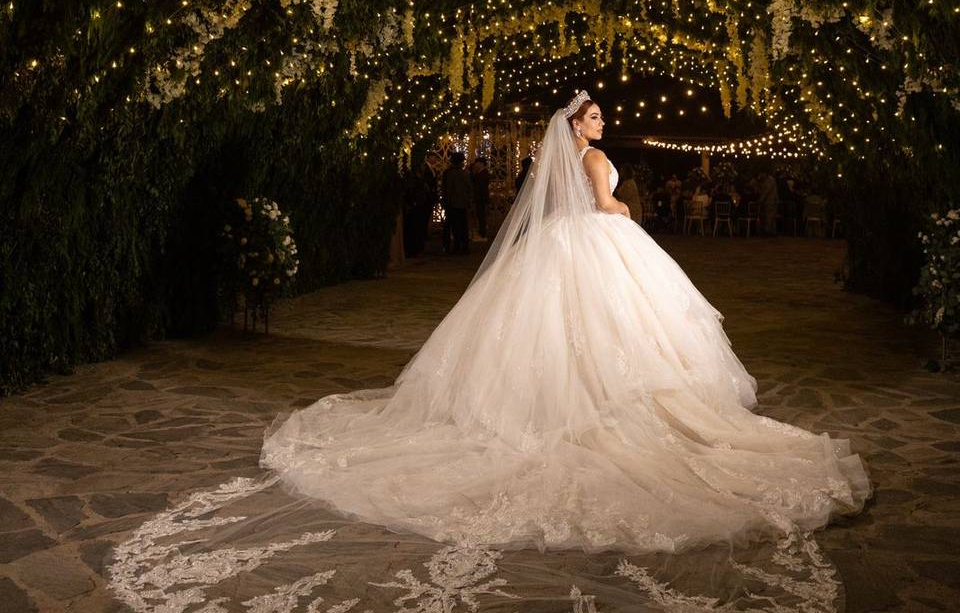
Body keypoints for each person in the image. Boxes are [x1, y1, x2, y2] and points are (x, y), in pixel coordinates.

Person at [261, 91, 870, 554]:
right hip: (600, 244)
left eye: (600, 118)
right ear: (577, 126)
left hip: (560, 246)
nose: (602, 124)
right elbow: (605, 206)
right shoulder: (598, 159)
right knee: (619, 328)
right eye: (595, 117)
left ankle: (549, 402)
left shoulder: (560, 162)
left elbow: (565, 207)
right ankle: (606, 404)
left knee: (553, 328)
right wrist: (626, 206)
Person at [440, 152, 471, 254]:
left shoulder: (449, 173)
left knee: (451, 225)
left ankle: (452, 245)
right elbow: (469, 188)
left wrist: (445, 202)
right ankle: (464, 245)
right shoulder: (465, 173)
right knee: (462, 225)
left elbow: (447, 189)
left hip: (452, 203)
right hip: (462, 203)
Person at [470, 157, 491, 240]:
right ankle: (481, 232)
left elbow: (480, 186)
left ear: (481, 164)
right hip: (480, 198)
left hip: (481, 198)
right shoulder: (480, 172)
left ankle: (482, 234)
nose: (475, 165)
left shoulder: (484, 173)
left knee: (481, 216)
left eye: (477, 163)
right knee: (480, 216)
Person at [758, 171, 779, 236]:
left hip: (770, 201)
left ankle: (768, 231)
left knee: (768, 216)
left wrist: (761, 200)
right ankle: (772, 231)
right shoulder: (771, 179)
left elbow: (766, 191)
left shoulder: (769, 180)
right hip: (772, 200)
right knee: (771, 217)